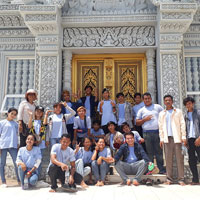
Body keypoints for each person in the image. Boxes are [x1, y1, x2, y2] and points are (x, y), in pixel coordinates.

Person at [159, 95, 186, 185]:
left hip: (177, 138)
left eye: (169, 100)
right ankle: (169, 179)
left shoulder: (178, 112)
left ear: (172, 101)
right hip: (167, 139)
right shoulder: (162, 113)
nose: (167, 102)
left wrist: (183, 137)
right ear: (164, 102)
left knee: (179, 159)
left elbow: (182, 124)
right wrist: (162, 138)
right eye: (166, 100)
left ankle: (181, 179)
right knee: (168, 159)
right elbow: (161, 127)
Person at [136, 92, 165, 174]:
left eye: (148, 98)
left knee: (159, 152)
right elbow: (137, 122)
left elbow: (164, 116)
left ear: (151, 99)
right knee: (149, 153)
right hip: (146, 134)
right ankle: (151, 169)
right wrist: (145, 119)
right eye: (145, 99)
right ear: (143, 100)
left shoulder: (158, 107)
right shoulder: (141, 110)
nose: (147, 100)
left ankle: (161, 169)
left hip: (157, 132)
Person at [0, 108, 20, 187]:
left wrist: (18, 144)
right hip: (3, 145)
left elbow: (17, 134)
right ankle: (3, 181)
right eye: (12, 113)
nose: (13, 115)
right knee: (2, 163)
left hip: (13, 146)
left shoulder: (16, 124)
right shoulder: (2, 123)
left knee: (16, 163)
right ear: (8, 113)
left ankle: (19, 180)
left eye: (15, 114)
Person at [28, 106, 49, 177]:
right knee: (33, 160)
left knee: (39, 160)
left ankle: (38, 176)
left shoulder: (43, 122)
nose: (38, 113)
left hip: (41, 143)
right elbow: (29, 126)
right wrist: (31, 116)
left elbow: (45, 124)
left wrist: (46, 114)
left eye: (40, 112)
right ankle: (33, 175)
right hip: (33, 143)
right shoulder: (33, 121)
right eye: (37, 111)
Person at [183, 97, 200, 185]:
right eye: (187, 104)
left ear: (193, 103)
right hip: (190, 139)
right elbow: (185, 128)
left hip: (198, 138)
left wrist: (199, 138)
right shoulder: (185, 115)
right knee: (192, 160)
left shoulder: (198, 113)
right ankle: (195, 179)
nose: (188, 105)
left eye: (190, 103)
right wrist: (185, 139)